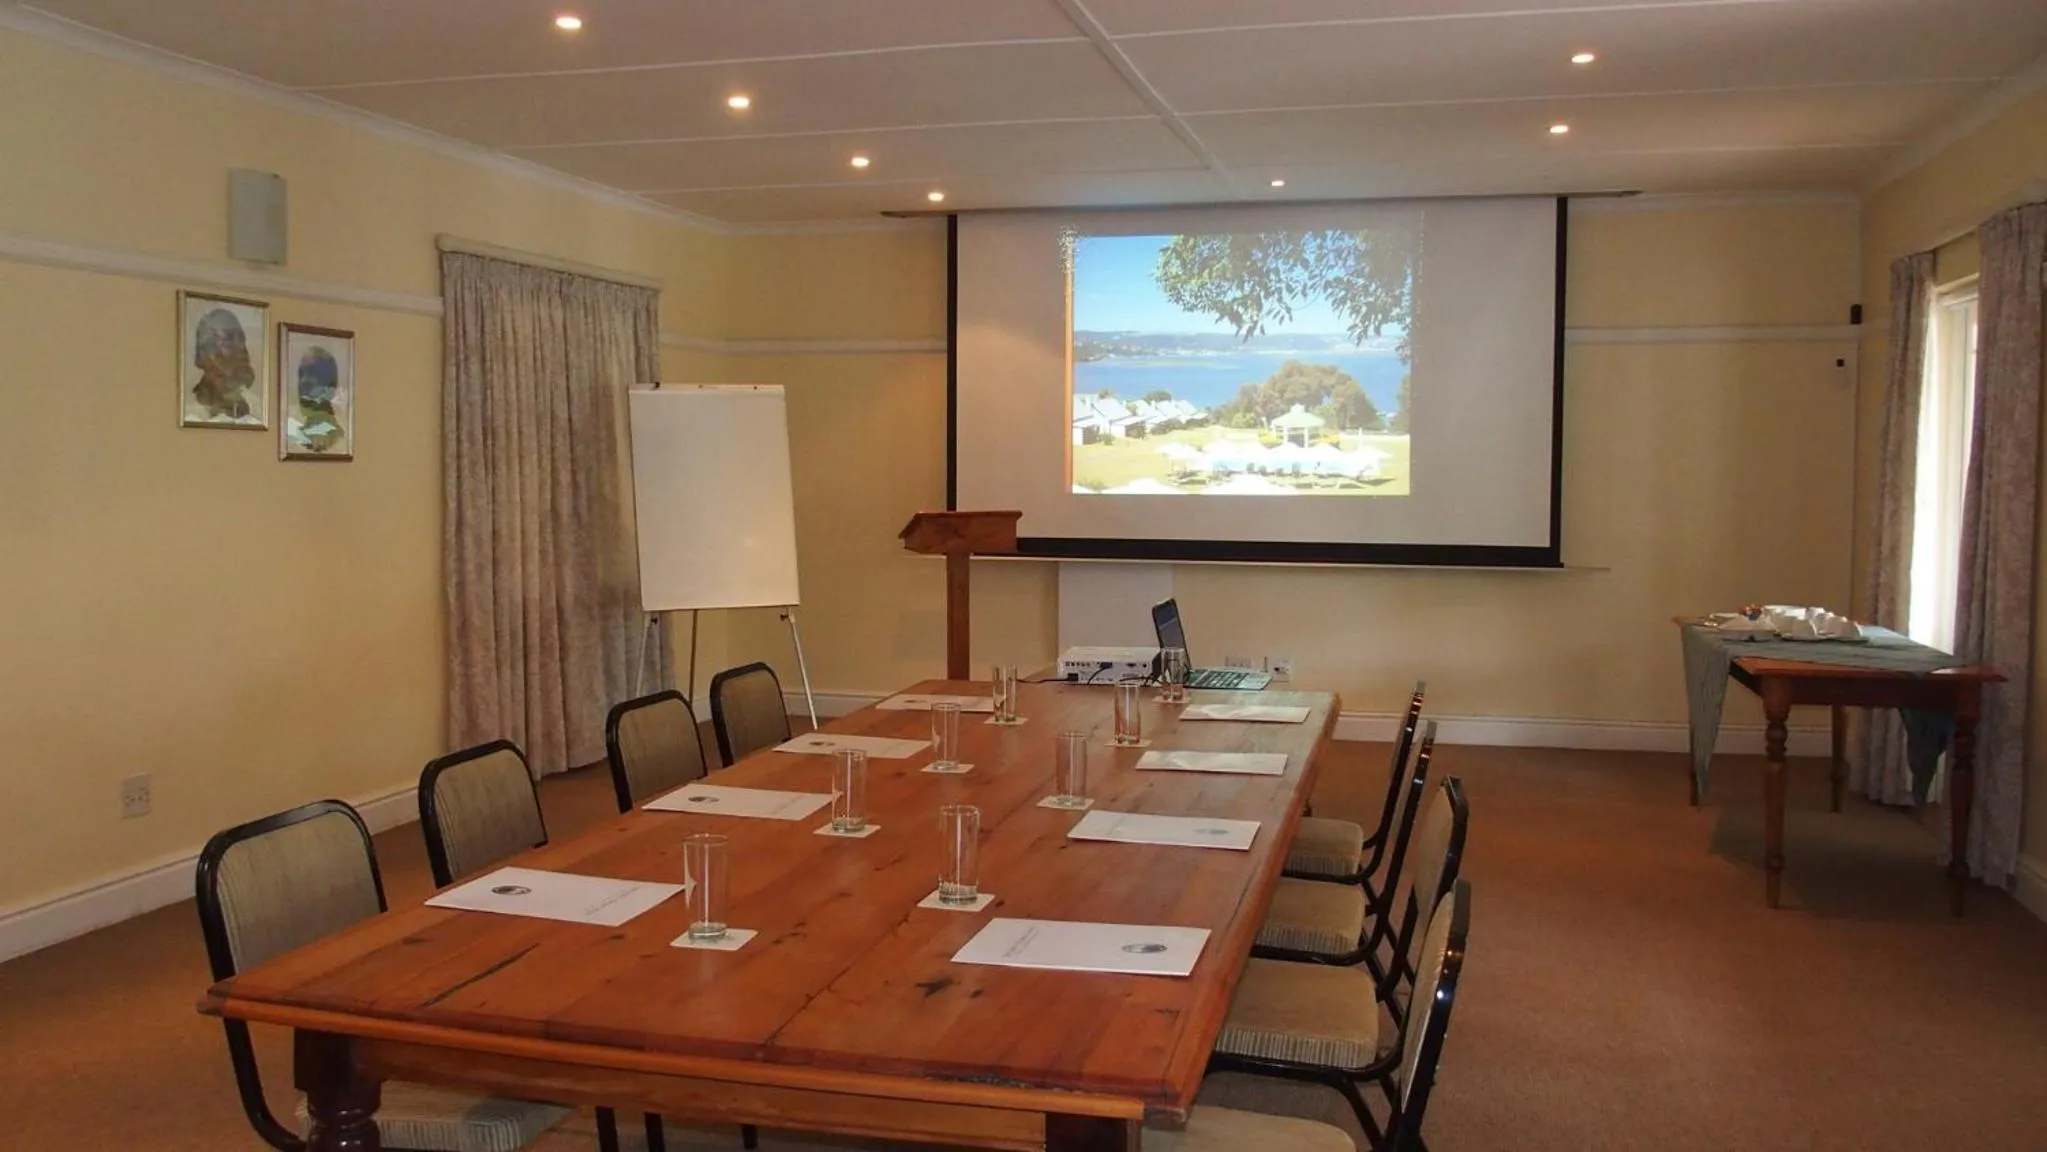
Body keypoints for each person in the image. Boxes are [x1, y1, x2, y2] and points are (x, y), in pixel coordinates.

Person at [189, 307, 256, 421]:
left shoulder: (258, 410)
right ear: (206, 355)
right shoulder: (191, 415)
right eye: (228, 341)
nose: (241, 350)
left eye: (241, 340)